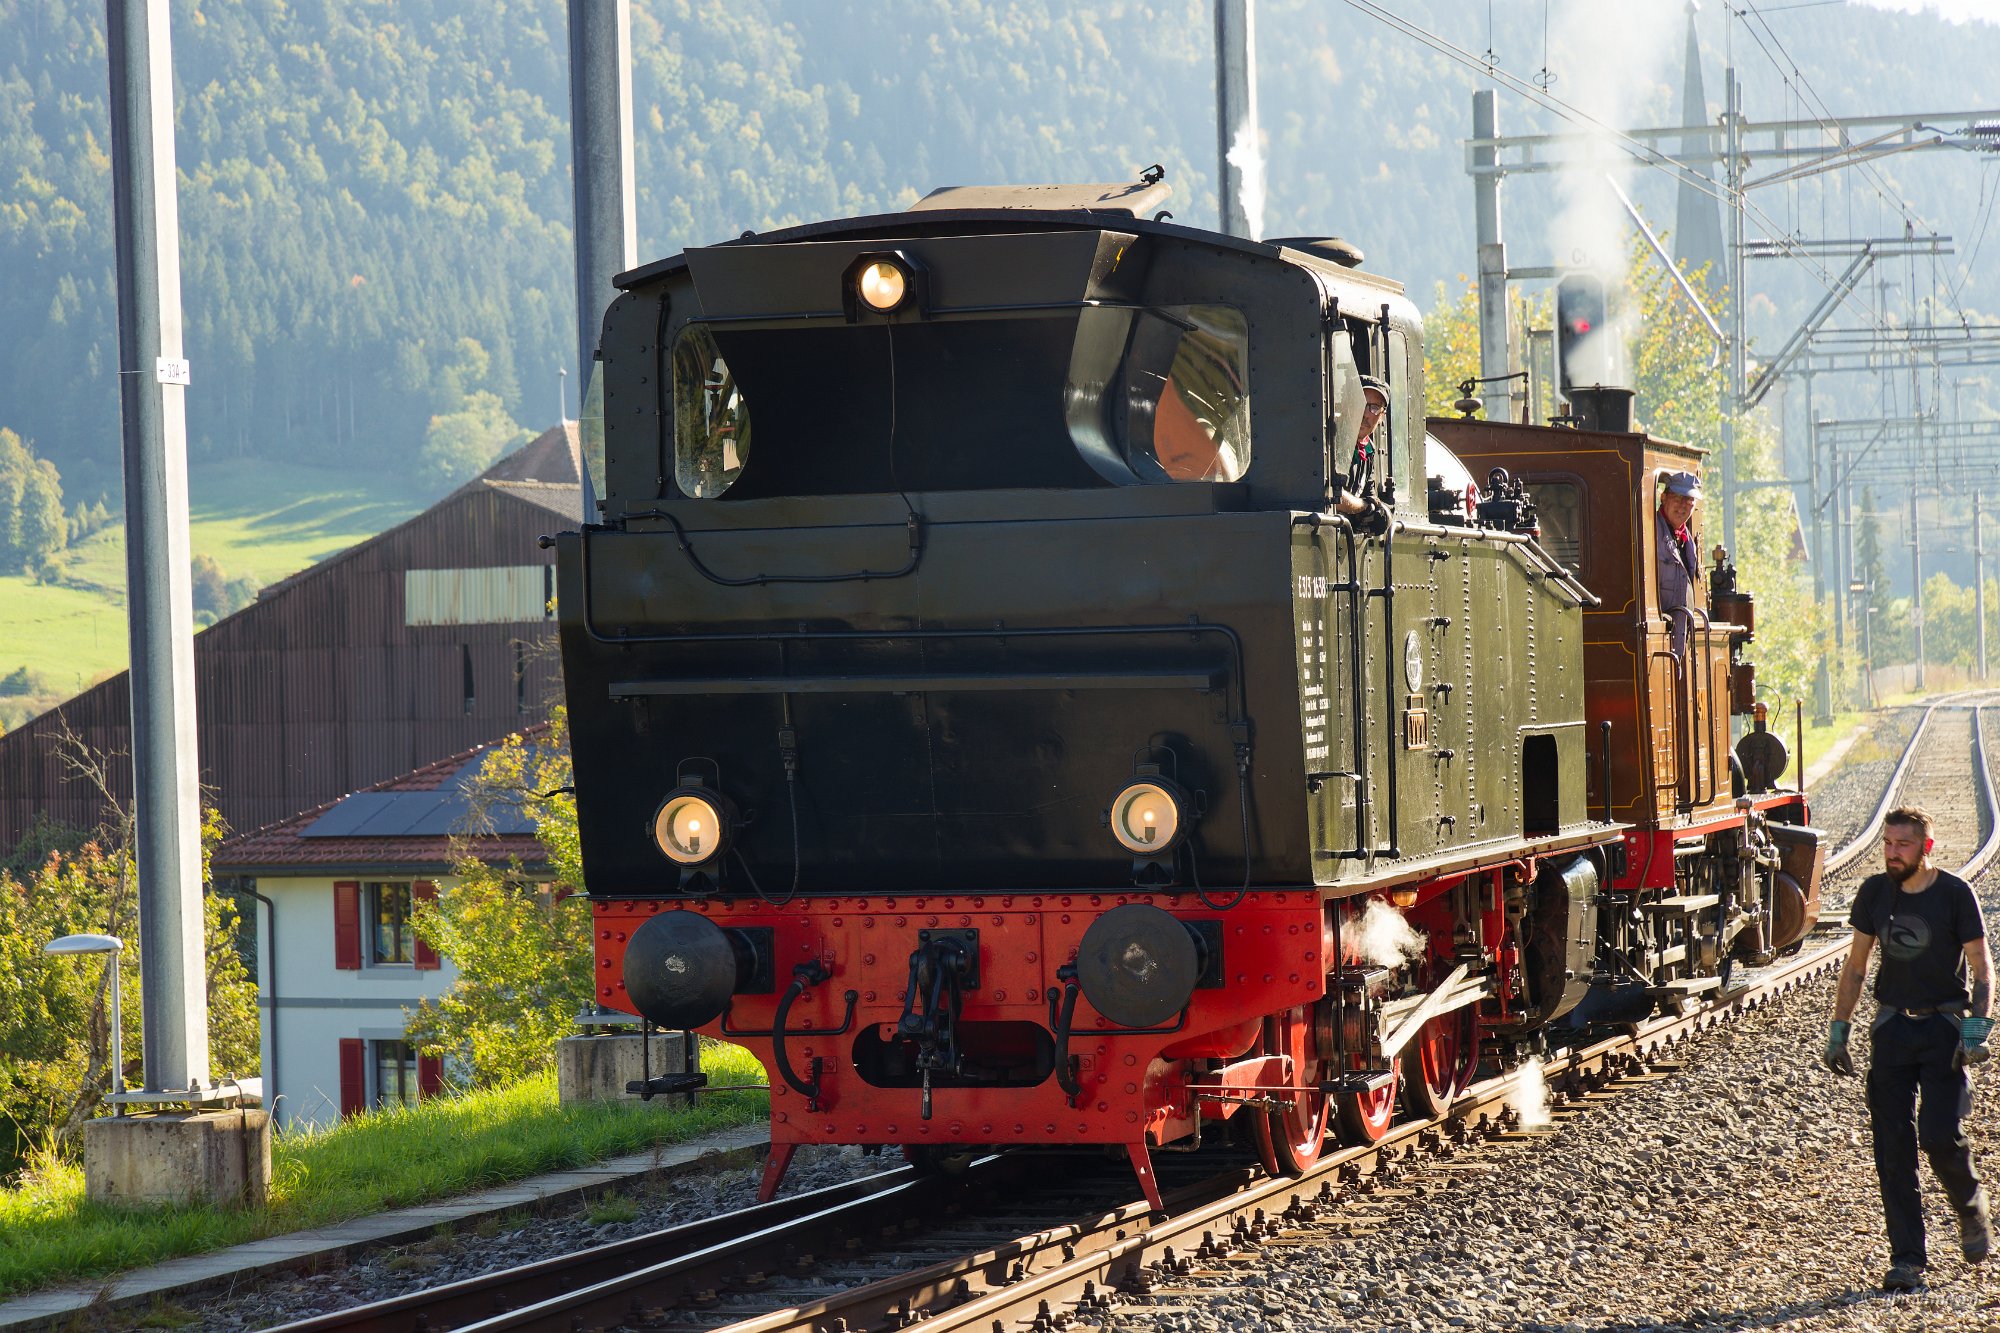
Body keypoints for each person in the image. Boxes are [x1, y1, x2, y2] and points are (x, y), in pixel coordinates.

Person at [1824, 806, 1995, 1292]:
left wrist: (1976, 1031)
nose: (1892, 853)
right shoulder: (1874, 893)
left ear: (1926, 847)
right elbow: (1857, 965)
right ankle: (1907, 1259)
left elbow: (1982, 968)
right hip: (1892, 1030)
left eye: (1903, 844)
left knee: (1939, 1136)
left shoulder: (1954, 894)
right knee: (1892, 1148)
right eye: (1888, 843)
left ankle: (1970, 1207)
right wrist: (1839, 1028)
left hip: (1943, 1030)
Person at [1655, 471, 1702, 656]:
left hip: (1679, 638)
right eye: (1678, 498)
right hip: (1662, 638)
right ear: (1663, 497)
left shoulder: (1687, 540)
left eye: (1689, 501)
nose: (1683, 506)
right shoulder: (1653, 533)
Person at [1336, 376, 1390, 515]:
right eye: (1360, 403)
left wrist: (1379, 511)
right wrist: (1364, 507)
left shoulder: (1368, 449)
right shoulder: (1331, 440)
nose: (1365, 414)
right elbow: (1331, 495)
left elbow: (1369, 494)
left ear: (1382, 416)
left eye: (1375, 408)